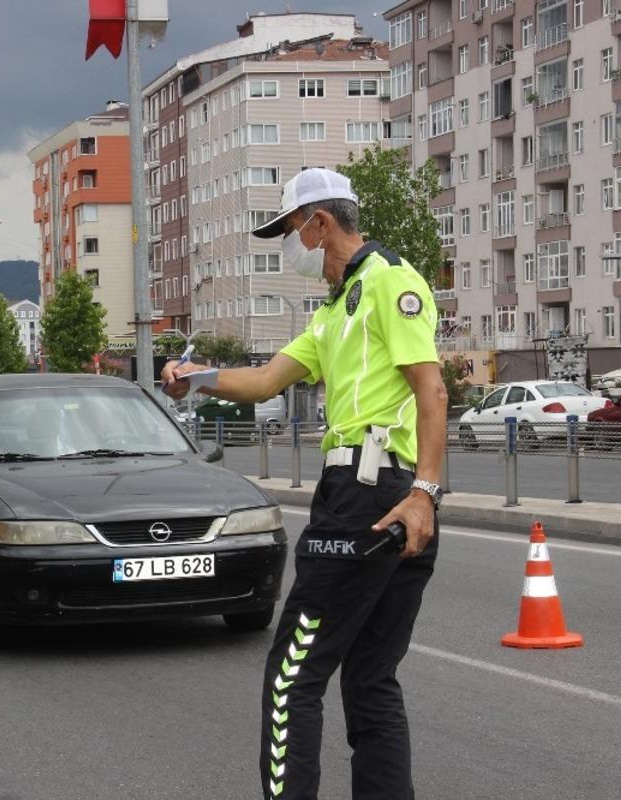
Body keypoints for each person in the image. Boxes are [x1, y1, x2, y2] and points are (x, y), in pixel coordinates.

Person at [162, 167, 447, 799]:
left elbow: (432, 388)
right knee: (371, 680)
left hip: (370, 497)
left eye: (288, 230)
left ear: (319, 223)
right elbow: (265, 381)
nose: (286, 245)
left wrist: (424, 493)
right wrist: (197, 378)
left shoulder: (389, 282)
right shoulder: (334, 311)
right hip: (374, 497)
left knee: (293, 676)